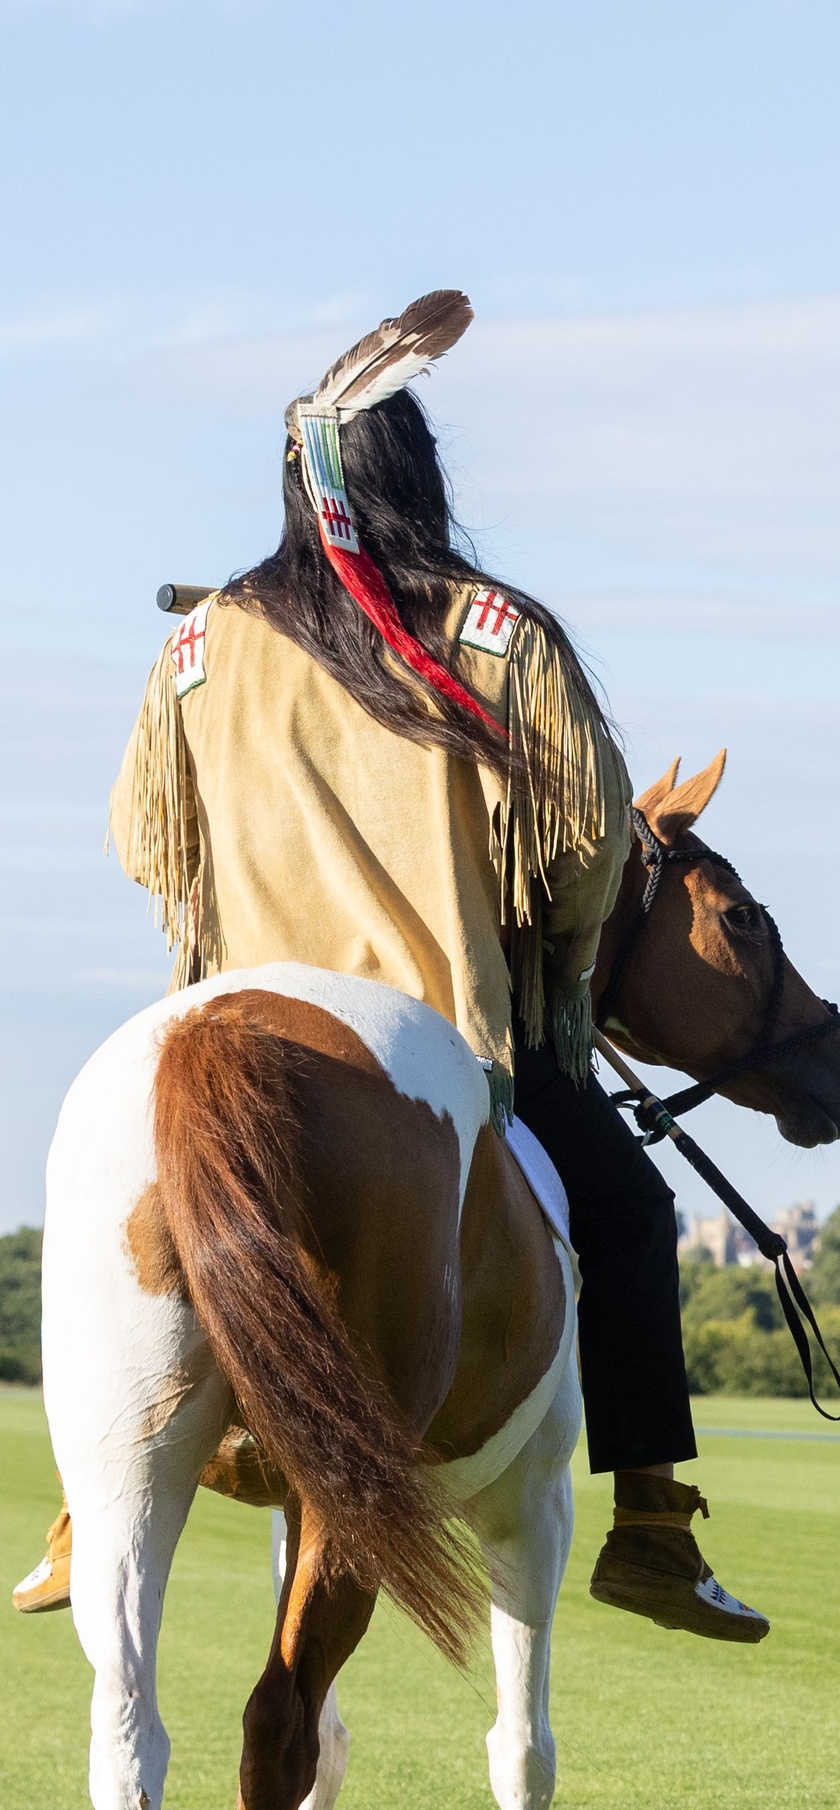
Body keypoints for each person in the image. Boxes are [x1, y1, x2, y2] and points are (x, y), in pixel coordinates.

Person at [14, 293, 766, 1643]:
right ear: (419, 477)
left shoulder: (194, 645)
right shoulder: (499, 632)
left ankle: (86, 1502)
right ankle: (652, 1522)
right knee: (632, 1215)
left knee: (113, 1198)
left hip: (239, 1021)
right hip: (454, 1024)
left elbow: (143, 838)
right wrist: (556, 954)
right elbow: (593, 839)